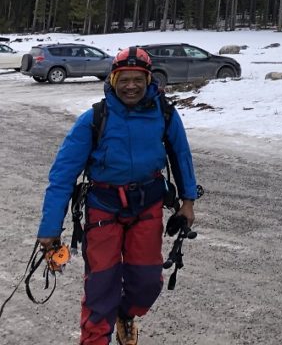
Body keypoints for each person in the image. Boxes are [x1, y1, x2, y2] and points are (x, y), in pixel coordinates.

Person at [36, 46, 198, 345]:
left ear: (149, 80)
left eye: (138, 78)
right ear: (112, 80)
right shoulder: (94, 119)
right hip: (103, 210)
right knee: (102, 287)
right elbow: (62, 176)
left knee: (147, 283)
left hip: (147, 206)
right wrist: (49, 229)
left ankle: (126, 313)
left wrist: (188, 202)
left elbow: (181, 156)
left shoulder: (165, 114)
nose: (131, 85)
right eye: (124, 79)